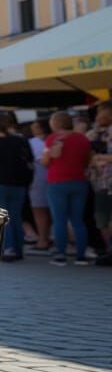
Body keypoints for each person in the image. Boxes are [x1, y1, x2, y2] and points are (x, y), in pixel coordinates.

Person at [0, 112, 33, 261]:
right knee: (16, 216)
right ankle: (18, 249)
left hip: (0, 183)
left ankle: (8, 249)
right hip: (19, 184)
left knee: (3, 217)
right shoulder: (20, 140)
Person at [42, 111, 92, 265]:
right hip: (79, 181)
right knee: (78, 220)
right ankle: (81, 256)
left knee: (59, 220)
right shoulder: (83, 139)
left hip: (57, 182)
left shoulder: (52, 138)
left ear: (55, 123)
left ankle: (60, 255)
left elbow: (45, 161)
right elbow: (87, 160)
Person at [88, 102, 112, 265]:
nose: (98, 118)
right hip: (101, 183)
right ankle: (110, 250)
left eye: (102, 114)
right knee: (102, 219)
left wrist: (100, 158)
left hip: (107, 182)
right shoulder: (95, 134)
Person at [27, 120, 52, 253]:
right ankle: (47, 238)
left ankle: (43, 240)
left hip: (38, 178)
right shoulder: (53, 140)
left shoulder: (32, 142)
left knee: (39, 210)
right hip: (53, 177)